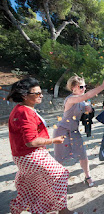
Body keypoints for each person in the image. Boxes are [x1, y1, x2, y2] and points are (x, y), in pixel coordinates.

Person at [7, 78, 81, 214]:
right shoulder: (24, 112)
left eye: (41, 92)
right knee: (60, 175)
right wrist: (53, 140)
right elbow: (31, 142)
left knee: (34, 185)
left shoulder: (20, 109)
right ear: (24, 95)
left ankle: (21, 209)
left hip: (22, 156)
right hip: (30, 155)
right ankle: (62, 211)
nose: (41, 95)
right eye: (36, 93)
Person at [54, 75, 104, 187]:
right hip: (62, 131)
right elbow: (86, 96)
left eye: (84, 86)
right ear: (73, 88)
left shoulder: (83, 101)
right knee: (60, 158)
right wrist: (103, 86)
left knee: (83, 155)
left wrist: (90, 110)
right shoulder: (70, 99)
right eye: (81, 87)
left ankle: (87, 177)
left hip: (74, 131)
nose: (84, 88)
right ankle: (56, 181)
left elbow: (87, 115)